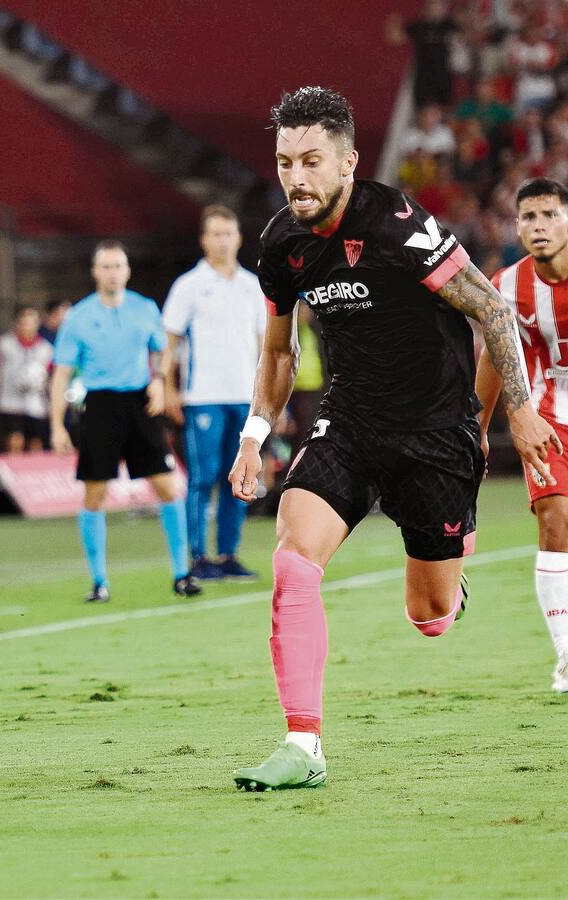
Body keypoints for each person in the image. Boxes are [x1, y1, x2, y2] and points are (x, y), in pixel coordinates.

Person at [227, 87, 558, 791]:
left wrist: (518, 411)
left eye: (312, 161)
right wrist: (255, 433)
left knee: (429, 616)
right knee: (292, 560)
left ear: (347, 161)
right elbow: (280, 352)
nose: (297, 177)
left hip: (437, 432)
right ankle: (302, 745)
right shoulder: (281, 244)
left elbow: (493, 309)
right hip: (348, 421)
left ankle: (450, 575)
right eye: (286, 161)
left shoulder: (400, 224)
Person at [49, 240, 199, 604]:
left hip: (139, 403)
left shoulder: (144, 308)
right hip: (100, 406)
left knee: (167, 486)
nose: (112, 272)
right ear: (95, 271)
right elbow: (61, 375)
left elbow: (163, 350)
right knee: (94, 493)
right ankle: (99, 582)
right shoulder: (79, 317)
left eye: (118, 266)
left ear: (127, 271)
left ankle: (182, 573)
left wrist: (160, 382)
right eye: (106, 266)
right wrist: (56, 425)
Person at [477, 177, 568, 693]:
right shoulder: (505, 287)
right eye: (529, 217)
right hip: (548, 420)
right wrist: (479, 428)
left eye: (549, 215)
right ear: (517, 225)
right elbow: (493, 356)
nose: (539, 226)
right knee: (555, 522)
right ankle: (566, 655)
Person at [162, 205, 265, 581]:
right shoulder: (188, 286)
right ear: (204, 239)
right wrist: (167, 387)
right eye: (215, 234)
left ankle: (227, 555)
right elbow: (168, 342)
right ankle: (196, 557)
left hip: (246, 397)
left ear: (238, 238)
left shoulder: (253, 286)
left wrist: (270, 400)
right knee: (202, 477)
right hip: (203, 396)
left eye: (228, 233)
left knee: (239, 477)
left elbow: (265, 347)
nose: (222, 240)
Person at [0, 304, 53, 453]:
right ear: (17, 323)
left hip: (35, 401)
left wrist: (51, 398)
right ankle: (13, 470)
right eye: (24, 322)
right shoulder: (4, 344)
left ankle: (33, 472)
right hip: (10, 399)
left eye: (31, 322)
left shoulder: (45, 348)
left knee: (35, 441)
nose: (27, 326)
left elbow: (49, 376)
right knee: (15, 438)